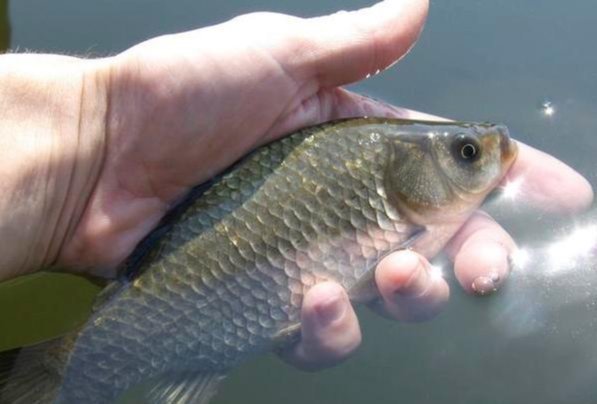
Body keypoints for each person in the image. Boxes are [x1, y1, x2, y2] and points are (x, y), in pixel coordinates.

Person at [0, 0, 592, 371]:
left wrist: (88, 137)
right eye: (467, 154)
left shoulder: (383, 172)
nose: (484, 155)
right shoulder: (380, 173)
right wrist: (94, 132)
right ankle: (57, 373)